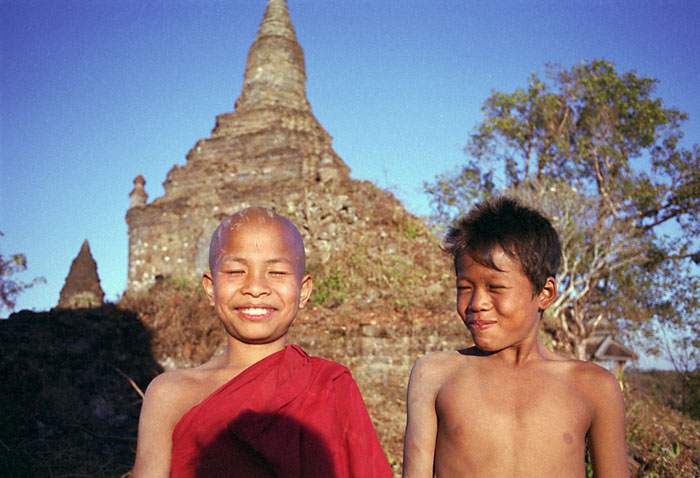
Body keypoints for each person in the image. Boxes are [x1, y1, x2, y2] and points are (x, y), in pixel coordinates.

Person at [133, 207, 393, 478]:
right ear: (211, 288)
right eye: (235, 271)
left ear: (303, 291)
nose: (255, 288)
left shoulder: (330, 386)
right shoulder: (170, 394)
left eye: (277, 273)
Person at [402, 197, 629, 478]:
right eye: (464, 287)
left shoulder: (594, 386)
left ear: (545, 293)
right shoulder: (435, 375)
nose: (477, 303)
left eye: (495, 287)